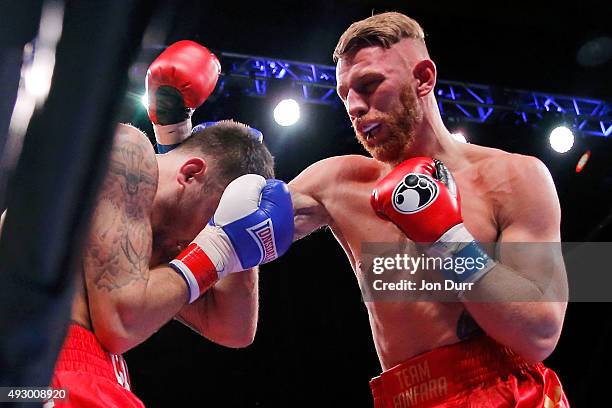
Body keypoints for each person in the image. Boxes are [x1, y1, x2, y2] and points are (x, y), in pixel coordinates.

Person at [288, 12, 569, 407]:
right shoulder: (338, 184)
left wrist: (448, 240)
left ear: (423, 78)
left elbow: (540, 334)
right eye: (344, 93)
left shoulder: (514, 177)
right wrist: (175, 131)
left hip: (509, 393)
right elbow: (239, 229)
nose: (353, 106)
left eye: (368, 85)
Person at [43, 40, 294, 408]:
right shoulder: (129, 149)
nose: (197, 240)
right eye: (210, 220)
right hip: (47, 372)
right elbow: (122, 323)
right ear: (191, 173)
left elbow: (235, 330)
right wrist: (218, 245)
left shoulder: (150, 242)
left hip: (83, 378)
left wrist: (238, 246)